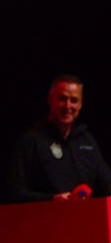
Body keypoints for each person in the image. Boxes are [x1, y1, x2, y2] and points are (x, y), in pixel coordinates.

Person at [9, 74, 111, 202]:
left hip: (84, 219)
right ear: (50, 99)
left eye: (74, 100)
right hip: (46, 219)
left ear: (80, 104)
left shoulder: (87, 141)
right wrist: (51, 199)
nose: (68, 106)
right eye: (62, 99)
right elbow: (15, 193)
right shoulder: (31, 141)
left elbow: (107, 186)